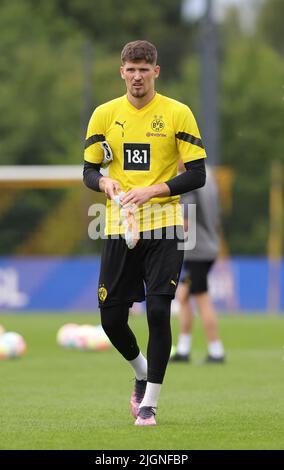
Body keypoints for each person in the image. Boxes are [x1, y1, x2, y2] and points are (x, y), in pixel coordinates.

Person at [83, 40, 206, 426]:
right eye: (130, 69)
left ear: (156, 71)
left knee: (157, 310)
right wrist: (104, 185)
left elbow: (198, 174)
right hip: (119, 226)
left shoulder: (177, 113)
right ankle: (140, 371)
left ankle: (149, 404)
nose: (137, 76)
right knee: (111, 320)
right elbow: (89, 172)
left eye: (144, 69)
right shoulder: (104, 115)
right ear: (121, 72)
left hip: (165, 225)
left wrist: (154, 190)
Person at [171, 165, 225, 363]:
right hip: (208, 246)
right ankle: (183, 349)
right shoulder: (209, 177)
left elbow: (185, 220)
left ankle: (216, 350)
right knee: (183, 297)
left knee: (201, 299)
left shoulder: (189, 181)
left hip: (197, 250)